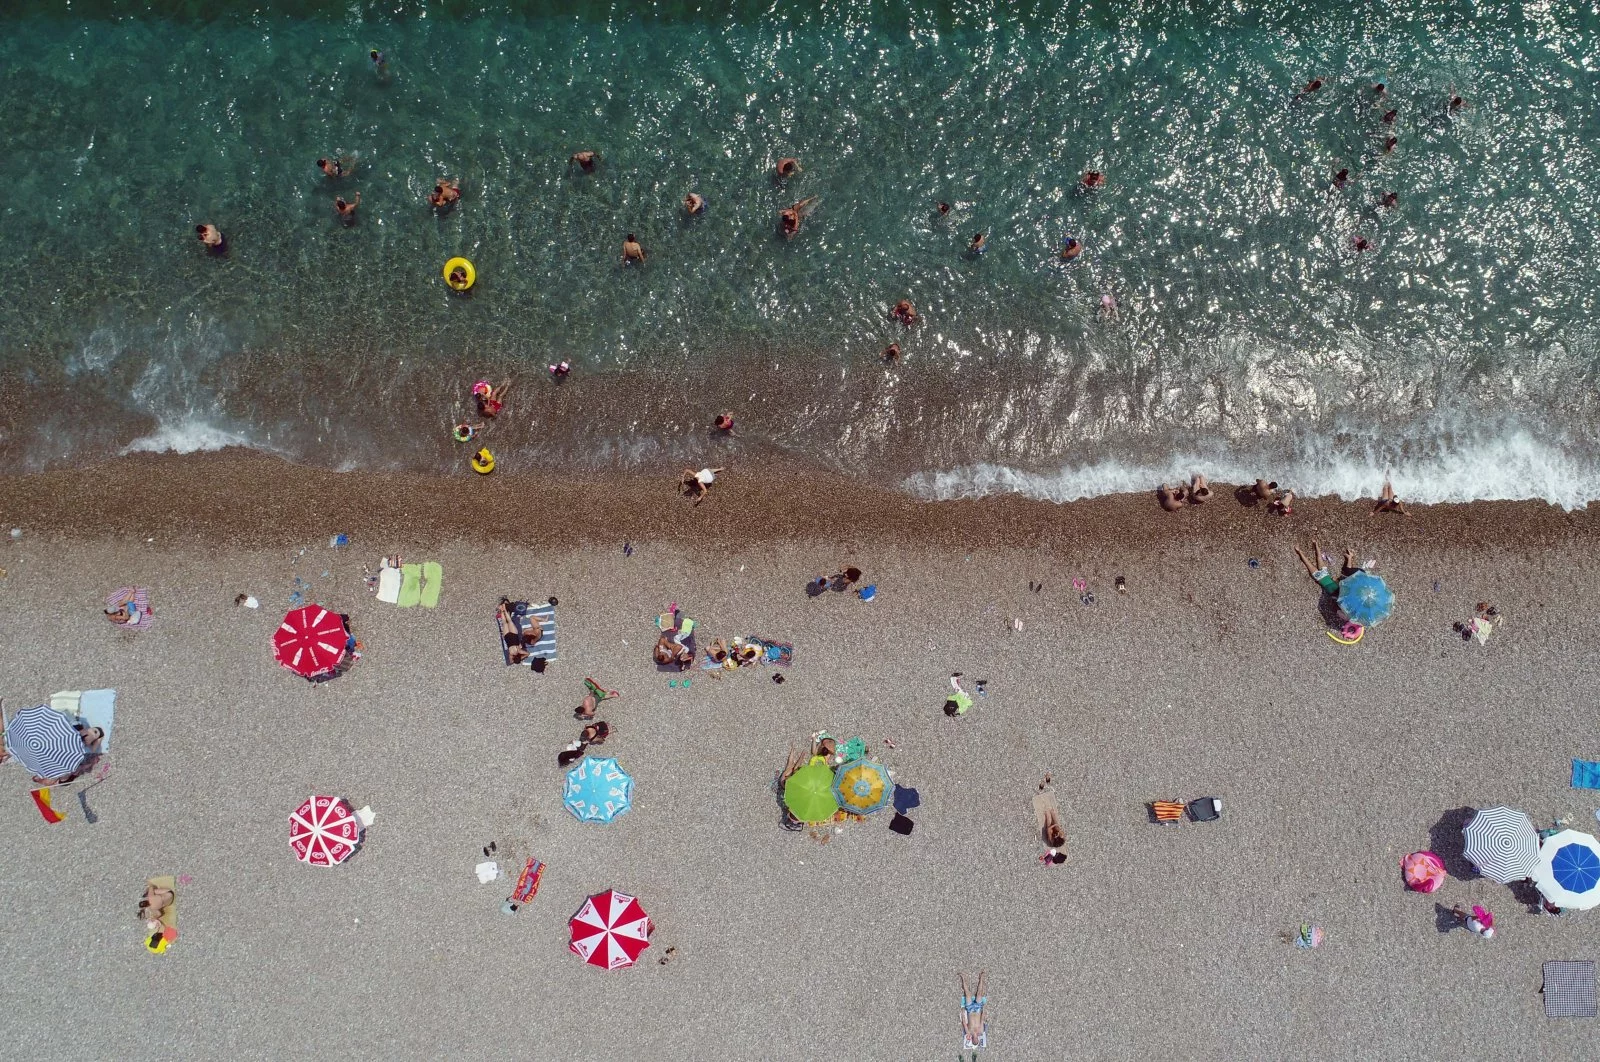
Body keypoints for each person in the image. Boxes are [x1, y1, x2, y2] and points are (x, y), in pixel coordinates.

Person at [959, 971, 988, 1051]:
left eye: (974, 1041)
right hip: (978, 1009)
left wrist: (962, 1013)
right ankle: (981, 977)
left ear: (972, 1040)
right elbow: (982, 1020)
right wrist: (984, 1010)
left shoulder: (968, 1032)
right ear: (978, 1040)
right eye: (976, 1041)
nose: (975, 1040)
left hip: (969, 1010)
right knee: (979, 994)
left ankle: (963, 978)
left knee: (967, 994)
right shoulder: (981, 1031)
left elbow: (964, 1023)